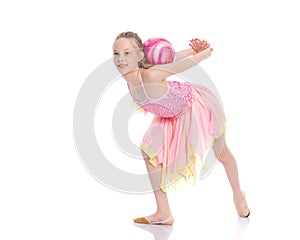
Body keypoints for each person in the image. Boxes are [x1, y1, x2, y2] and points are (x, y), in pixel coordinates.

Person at [112, 31, 250, 225]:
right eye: (116, 53)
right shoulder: (131, 82)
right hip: (170, 116)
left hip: (195, 107)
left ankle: (238, 195)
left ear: (140, 56)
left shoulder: (150, 75)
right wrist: (193, 49)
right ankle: (164, 211)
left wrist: (203, 52)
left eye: (127, 53)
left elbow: (178, 64)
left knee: (222, 154)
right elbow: (169, 58)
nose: (120, 59)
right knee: (147, 149)